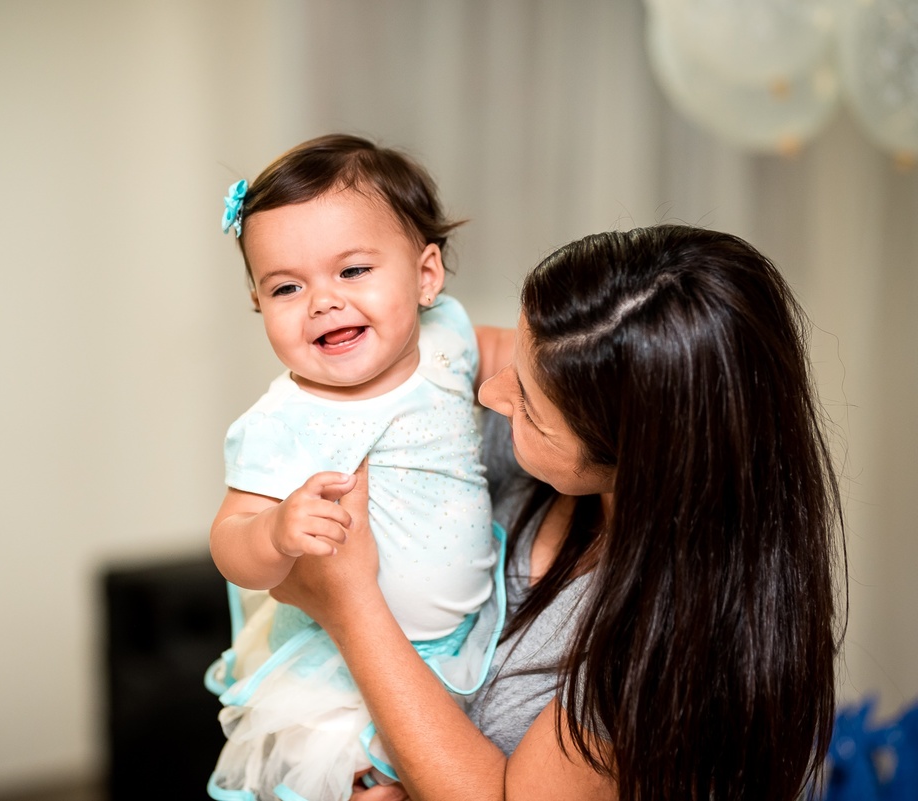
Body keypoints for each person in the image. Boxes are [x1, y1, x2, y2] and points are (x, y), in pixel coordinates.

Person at [273, 224, 845, 801]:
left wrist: (350, 605)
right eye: (517, 361)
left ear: (642, 463)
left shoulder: (675, 649)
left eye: (530, 408)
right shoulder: (535, 454)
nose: (491, 395)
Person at [204, 134, 516, 801]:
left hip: (462, 635)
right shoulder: (281, 421)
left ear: (426, 276)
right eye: (287, 286)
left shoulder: (450, 336)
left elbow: (518, 356)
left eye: (352, 271)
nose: (322, 300)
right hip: (337, 672)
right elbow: (230, 542)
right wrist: (276, 530)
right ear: (261, 304)